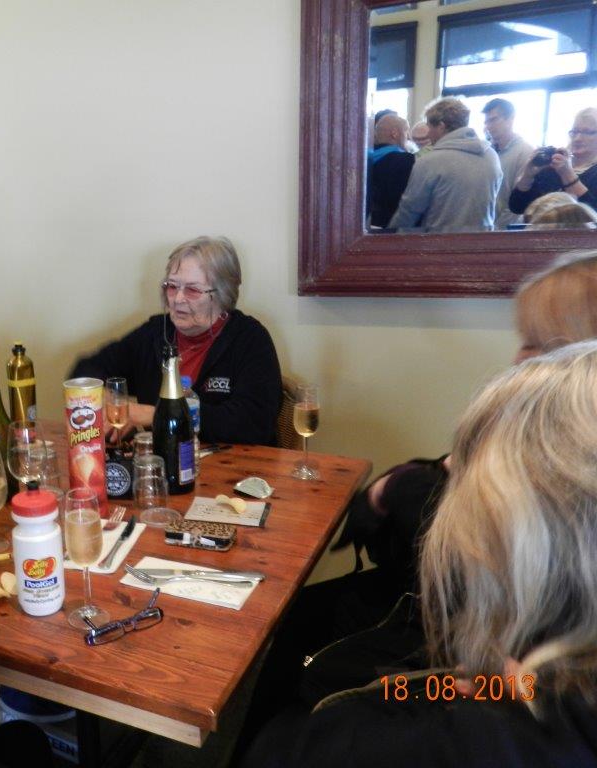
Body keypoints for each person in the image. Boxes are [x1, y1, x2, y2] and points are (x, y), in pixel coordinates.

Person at [231, 249, 597, 763]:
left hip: (446, 644)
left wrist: (397, 490)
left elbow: (447, 563)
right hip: (475, 648)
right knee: (301, 616)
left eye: (536, 344)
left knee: (302, 682)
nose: (519, 358)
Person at [71, 236, 282, 446]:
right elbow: (85, 371)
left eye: (192, 290)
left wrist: (156, 415)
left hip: (235, 464)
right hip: (163, 461)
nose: (178, 299)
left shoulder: (250, 339)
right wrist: (109, 403)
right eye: (172, 286)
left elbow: (254, 423)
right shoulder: (155, 333)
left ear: (223, 295)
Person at [388, 97, 502, 232]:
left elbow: (409, 211)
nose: (428, 134)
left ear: (441, 126)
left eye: (430, 127)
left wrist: (389, 235)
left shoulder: (429, 162)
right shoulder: (492, 156)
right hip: (483, 241)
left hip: (441, 242)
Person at [509, 107, 597, 215]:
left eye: (587, 132)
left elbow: (593, 214)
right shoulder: (555, 165)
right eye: (574, 132)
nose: (577, 138)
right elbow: (517, 207)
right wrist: (527, 176)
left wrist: (567, 174)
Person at [482, 98, 533, 229]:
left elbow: (517, 200)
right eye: (487, 122)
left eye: (493, 120)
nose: (489, 126)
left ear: (510, 119)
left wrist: (498, 230)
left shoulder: (525, 151)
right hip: (485, 226)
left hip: (508, 229)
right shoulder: (487, 152)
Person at [366, 114, 415, 228]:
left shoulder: (364, 159)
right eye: (406, 132)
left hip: (368, 222)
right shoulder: (405, 160)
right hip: (392, 224)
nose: (408, 138)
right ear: (394, 133)